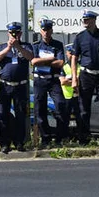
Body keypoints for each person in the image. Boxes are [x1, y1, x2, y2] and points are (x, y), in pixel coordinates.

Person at [68, 10, 99, 145]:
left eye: (87, 19)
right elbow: (74, 58)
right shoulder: (80, 37)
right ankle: (83, 138)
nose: (85, 21)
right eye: (83, 19)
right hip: (86, 75)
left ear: (94, 20)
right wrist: (74, 78)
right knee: (84, 109)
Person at [0, 21, 33, 153]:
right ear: (8, 33)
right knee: (3, 115)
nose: (14, 35)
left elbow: (31, 57)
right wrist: (8, 49)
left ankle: (19, 142)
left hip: (21, 86)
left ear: (21, 33)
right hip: (6, 86)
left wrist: (18, 47)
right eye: (11, 33)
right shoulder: (2, 47)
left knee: (21, 115)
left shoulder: (26, 46)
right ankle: (5, 143)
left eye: (16, 33)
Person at [31, 18, 68, 148]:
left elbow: (60, 63)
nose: (46, 32)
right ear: (41, 31)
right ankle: (45, 138)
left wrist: (43, 60)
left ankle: (59, 138)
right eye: (44, 30)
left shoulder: (57, 44)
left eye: (48, 29)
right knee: (39, 109)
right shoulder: (35, 45)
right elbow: (33, 62)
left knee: (61, 105)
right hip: (39, 79)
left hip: (53, 79)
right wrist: (51, 58)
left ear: (52, 30)